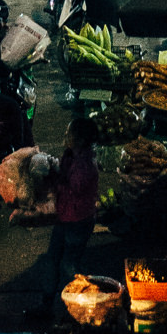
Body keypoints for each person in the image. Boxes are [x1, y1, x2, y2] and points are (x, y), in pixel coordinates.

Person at [41, 115, 99, 293]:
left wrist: (53, 180)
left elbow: (72, 188)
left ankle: (86, 299)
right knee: (53, 259)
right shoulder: (71, 155)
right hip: (65, 217)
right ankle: (47, 303)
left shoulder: (85, 165)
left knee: (69, 265)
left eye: (69, 134)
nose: (65, 136)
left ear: (80, 140)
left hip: (78, 221)